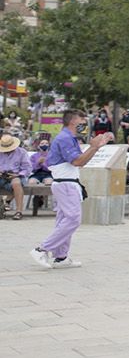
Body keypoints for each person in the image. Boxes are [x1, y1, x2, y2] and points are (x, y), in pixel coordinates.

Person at [31, 111, 110, 269]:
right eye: (83, 121)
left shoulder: (70, 138)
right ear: (74, 122)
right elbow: (77, 161)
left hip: (66, 182)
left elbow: (80, 162)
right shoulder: (65, 138)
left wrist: (94, 148)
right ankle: (41, 249)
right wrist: (93, 147)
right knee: (73, 219)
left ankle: (61, 257)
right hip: (65, 184)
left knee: (64, 221)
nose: (85, 125)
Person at [0, 133, 32, 220]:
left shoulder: (22, 152)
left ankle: (19, 211)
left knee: (16, 183)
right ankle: (3, 205)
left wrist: (18, 174)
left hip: (16, 175)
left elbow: (27, 168)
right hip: (1, 176)